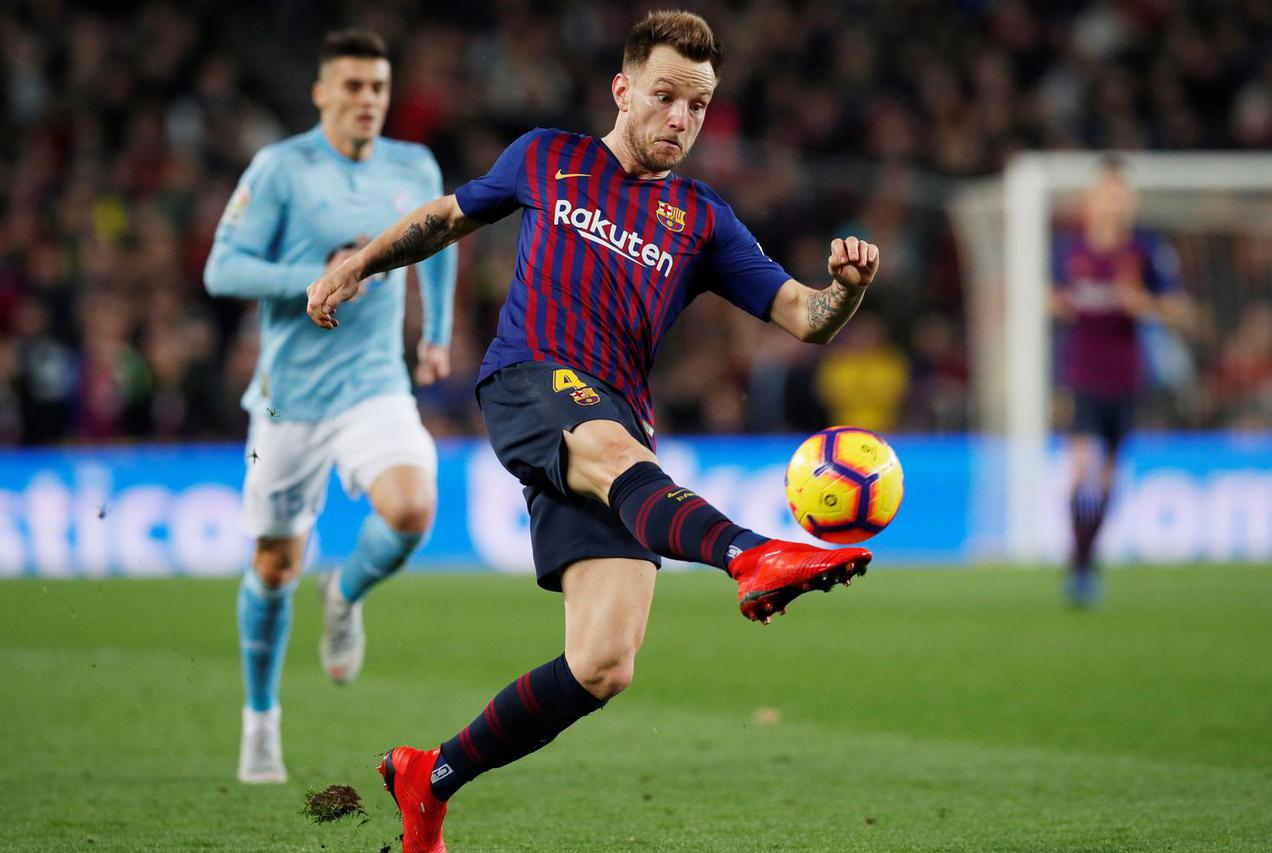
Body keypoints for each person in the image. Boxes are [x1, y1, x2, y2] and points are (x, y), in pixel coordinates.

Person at [306, 11, 877, 851]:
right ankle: (751, 553)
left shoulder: (702, 218)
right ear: (623, 89)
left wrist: (846, 290)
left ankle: (430, 777)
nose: (680, 118)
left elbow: (805, 315)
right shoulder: (547, 157)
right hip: (530, 381)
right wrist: (359, 263)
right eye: (666, 96)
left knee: (603, 663)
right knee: (615, 449)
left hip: (615, 417)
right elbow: (446, 217)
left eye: (698, 105)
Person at [203, 29, 457, 784]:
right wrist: (316, 277)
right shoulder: (281, 169)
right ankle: (260, 720)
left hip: (374, 385)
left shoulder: (413, 166)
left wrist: (436, 333)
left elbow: (439, 239)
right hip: (289, 402)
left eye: (378, 87)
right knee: (273, 565)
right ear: (321, 93)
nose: (367, 100)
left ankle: (344, 594)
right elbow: (222, 269)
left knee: (412, 507)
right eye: (352, 86)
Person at [1050, 158, 1187, 606]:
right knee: (1080, 467)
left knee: (1108, 475)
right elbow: (1051, 297)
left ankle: (1087, 560)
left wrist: (1140, 303)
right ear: (1093, 201)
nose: (1115, 204)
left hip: (1126, 375)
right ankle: (1078, 564)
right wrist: (1059, 302)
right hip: (1082, 373)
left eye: (1121, 196)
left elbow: (1179, 308)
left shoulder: (1147, 250)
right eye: (1107, 194)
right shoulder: (1069, 250)